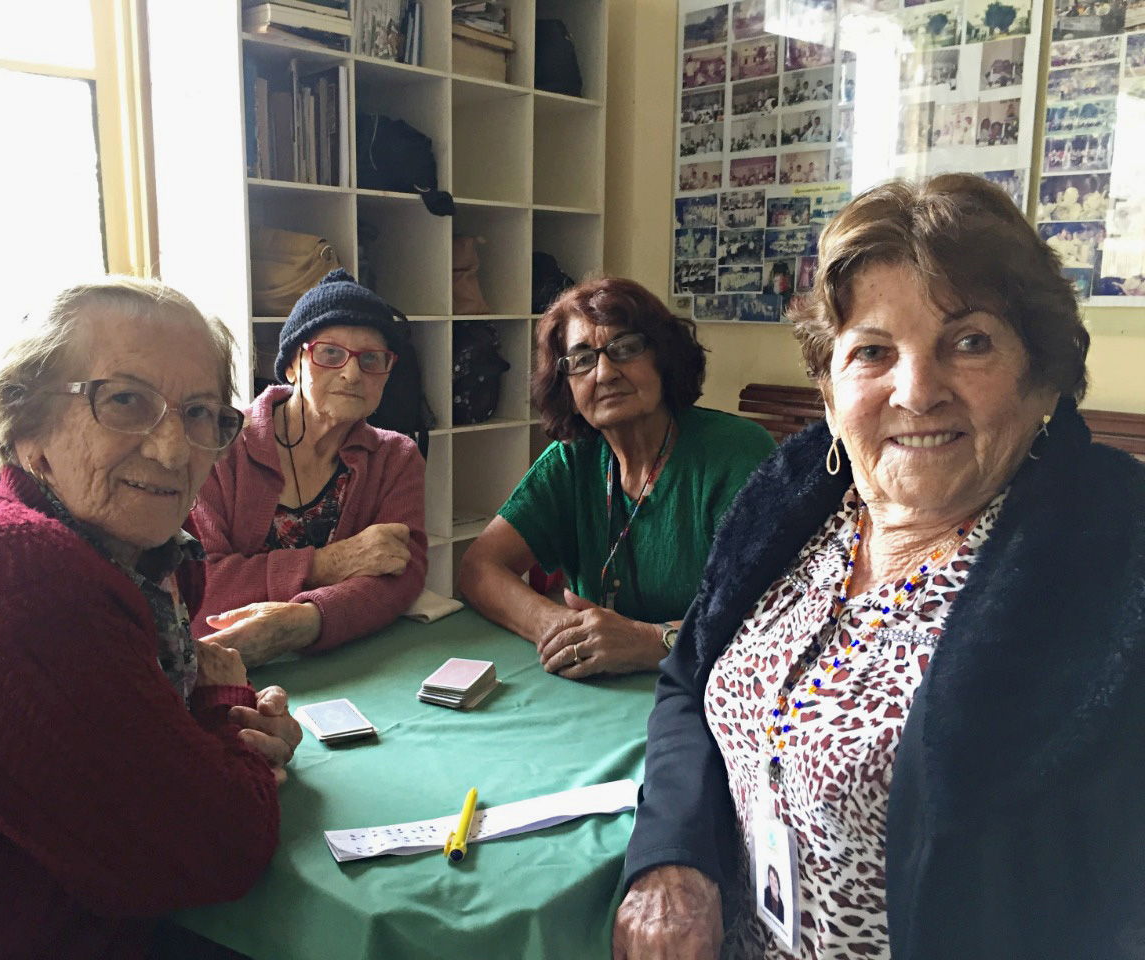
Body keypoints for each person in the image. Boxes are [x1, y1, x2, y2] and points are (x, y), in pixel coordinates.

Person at [613, 174, 1145, 960]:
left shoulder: (1107, 560)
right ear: (828, 391)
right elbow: (689, 679)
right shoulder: (796, 502)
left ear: (1042, 381)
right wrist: (672, 858)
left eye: (969, 342)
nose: (917, 389)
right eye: (872, 351)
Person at [0, 278, 302, 957]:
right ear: (25, 417)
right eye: (125, 401)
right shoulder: (27, 581)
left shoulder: (101, 541)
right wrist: (225, 709)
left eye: (199, 413)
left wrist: (210, 722)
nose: (172, 450)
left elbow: (121, 738)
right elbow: (220, 849)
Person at [458, 277, 775, 678]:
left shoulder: (738, 453)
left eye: (625, 348)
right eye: (582, 359)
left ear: (664, 357)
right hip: (597, 688)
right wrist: (557, 628)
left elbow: (770, 615)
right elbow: (479, 567)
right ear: (566, 384)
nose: (605, 373)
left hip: (714, 689)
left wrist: (649, 640)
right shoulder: (573, 460)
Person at [191, 269, 427, 666]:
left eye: (372, 360)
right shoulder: (222, 445)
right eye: (330, 353)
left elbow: (403, 574)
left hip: (343, 657)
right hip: (226, 663)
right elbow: (200, 584)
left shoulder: (396, 457)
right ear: (292, 365)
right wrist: (328, 563)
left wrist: (308, 620)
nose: (352, 373)